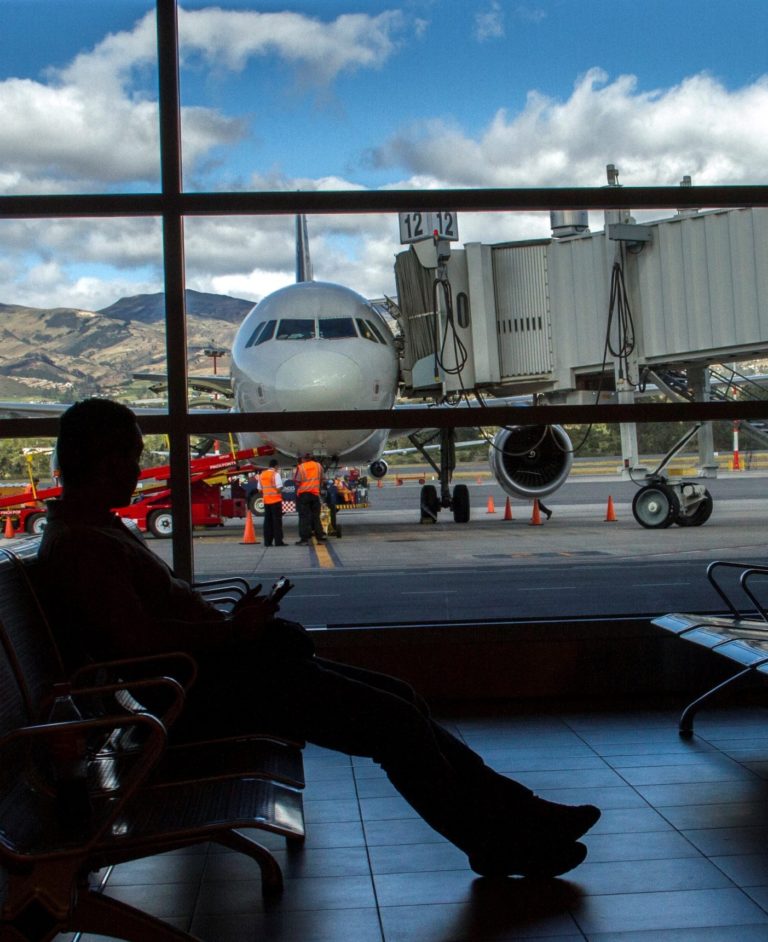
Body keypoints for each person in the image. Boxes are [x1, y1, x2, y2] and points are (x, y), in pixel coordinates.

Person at [37, 398, 600, 878]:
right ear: (105, 461)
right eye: (132, 458)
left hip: (212, 677)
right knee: (394, 721)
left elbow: (139, 630)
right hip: (202, 696)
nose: (139, 470)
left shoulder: (87, 531)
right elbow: (135, 641)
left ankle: (521, 815)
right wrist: (234, 631)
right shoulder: (84, 546)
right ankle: (496, 841)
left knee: (400, 701)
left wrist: (234, 629)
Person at [294, 452, 325, 545]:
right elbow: (322, 479)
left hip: (304, 495)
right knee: (316, 517)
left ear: (304, 459)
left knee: (304, 517)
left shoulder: (301, 467)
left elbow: (297, 482)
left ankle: (304, 539)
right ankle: (319, 537)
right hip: (315, 494)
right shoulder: (318, 466)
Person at [258, 458, 285, 547]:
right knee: (277, 522)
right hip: (275, 501)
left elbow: (259, 489)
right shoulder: (275, 474)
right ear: (276, 466)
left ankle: (267, 542)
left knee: (267, 522)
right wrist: (278, 492)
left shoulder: (262, 474)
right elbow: (279, 487)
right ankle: (278, 542)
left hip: (266, 501)